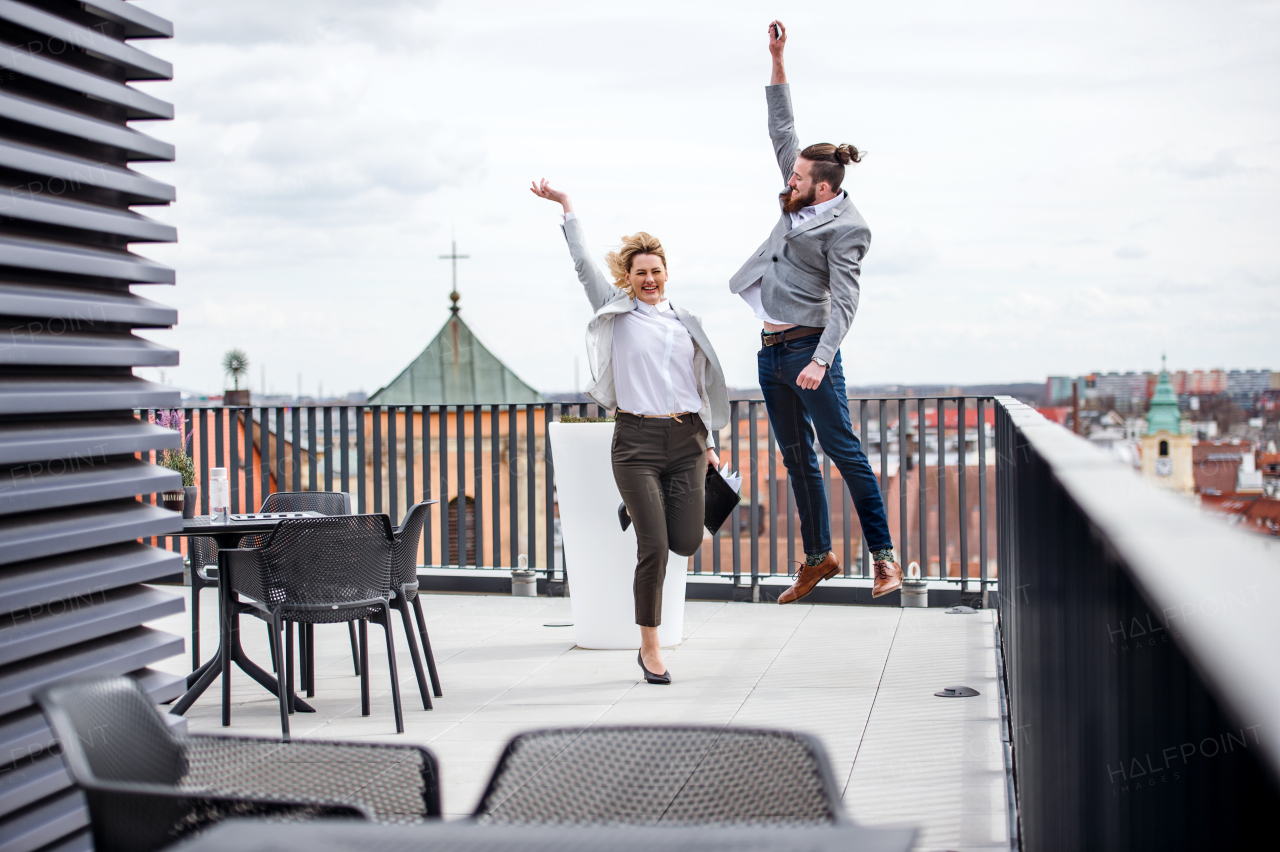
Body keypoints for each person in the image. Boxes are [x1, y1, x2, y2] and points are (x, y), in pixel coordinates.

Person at [728, 21, 902, 604]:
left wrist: (821, 360)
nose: (790, 179)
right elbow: (783, 127)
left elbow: (847, 301)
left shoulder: (850, 228)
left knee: (844, 452)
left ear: (823, 189)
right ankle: (817, 557)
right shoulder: (798, 190)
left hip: (808, 352)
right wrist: (777, 60)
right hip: (771, 352)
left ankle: (884, 560)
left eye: (799, 177)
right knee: (796, 458)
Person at [531, 179, 730, 683]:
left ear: (667, 274)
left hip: (686, 442)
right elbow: (581, 266)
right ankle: (650, 645)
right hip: (636, 443)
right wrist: (567, 207)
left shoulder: (687, 322)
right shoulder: (615, 313)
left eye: (656, 271)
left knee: (686, 541)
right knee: (654, 547)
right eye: (640, 272)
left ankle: (647, 503)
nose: (649, 279)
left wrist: (707, 445)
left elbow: (698, 388)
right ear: (628, 276)